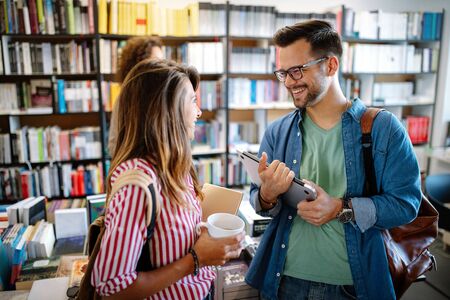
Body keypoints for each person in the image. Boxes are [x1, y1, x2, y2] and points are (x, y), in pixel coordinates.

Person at [245, 20, 421, 300]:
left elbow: (406, 205)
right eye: (283, 73)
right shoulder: (278, 132)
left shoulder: (383, 129)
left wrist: (340, 208)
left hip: (352, 286)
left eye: (297, 70)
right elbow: (258, 202)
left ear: (331, 65)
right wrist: (267, 194)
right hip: (283, 281)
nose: (289, 82)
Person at [93, 59, 244, 299]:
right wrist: (197, 258)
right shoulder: (138, 184)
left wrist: (207, 240)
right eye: (193, 101)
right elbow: (113, 288)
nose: (199, 112)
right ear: (166, 110)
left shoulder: (175, 166)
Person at [108, 36, 164, 157]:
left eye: (162, 60)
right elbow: (114, 144)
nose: (163, 66)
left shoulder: (160, 94)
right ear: (139, 64)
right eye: (156, 60)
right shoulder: (126, 98)